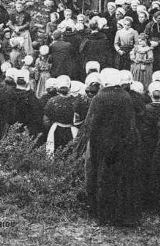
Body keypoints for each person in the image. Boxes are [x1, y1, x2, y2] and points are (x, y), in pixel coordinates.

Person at [85, 68, 141, 226]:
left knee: (102, 179)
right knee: (121, 181)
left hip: (103, 145)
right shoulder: (125, 96)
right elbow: (131, 124)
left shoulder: (99, 97)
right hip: (122, 145)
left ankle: (103, 215)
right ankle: (121, 216)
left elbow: (91, 123)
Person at [44, 75, 77, 155]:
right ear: (70, 86)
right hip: (72, 130)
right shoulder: (76, 101)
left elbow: (46, 120)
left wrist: (49, 129)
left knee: (54, 153)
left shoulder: (52, 101)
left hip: (55, 130)